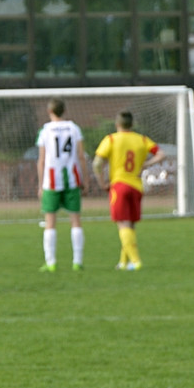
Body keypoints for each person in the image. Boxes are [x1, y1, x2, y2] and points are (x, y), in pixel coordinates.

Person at [92, 110, 166, 271]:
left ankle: (136, 261)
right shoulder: (142, 139)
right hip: (136, 187)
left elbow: (97, 163)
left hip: (119, 185)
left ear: (117, 124)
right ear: (132, 124)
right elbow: (161, 154)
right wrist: (145, 165)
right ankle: (124, 263)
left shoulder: (111, 139)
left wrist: (102, 182)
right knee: (130, 225)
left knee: (122, 223)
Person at [36, 98, 88, 272]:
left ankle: (51, 263)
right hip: (72, 179)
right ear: (64, 111)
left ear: (49, 111)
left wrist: (40, 184)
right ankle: (77, 262)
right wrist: (85, 179)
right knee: (75, 220)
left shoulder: (45, 131)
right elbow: (81, 156)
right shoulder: (74, 129)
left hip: (51, 181)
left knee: (50, 221)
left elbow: (42, 160)